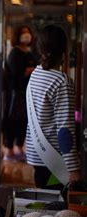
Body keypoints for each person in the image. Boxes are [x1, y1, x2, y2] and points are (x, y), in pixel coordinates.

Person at [26, 25, 81, 189]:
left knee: (46, 207)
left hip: (36, 153)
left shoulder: (36, 74)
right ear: (64, 50)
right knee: (57, 209)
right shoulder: (61, 81)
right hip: (55, 159)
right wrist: (74, 168)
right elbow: (65, 129)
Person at [2, 25, 37, 161]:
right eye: (23, 33)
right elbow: (16, 73)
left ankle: (19, 147)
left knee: (23, 121)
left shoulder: (29, 52)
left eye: (28, 33)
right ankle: (9, 150)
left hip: (26, 93)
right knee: (12, 121)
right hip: (16, 94)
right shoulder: (15, 53)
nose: (27, 35)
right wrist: (27, 72)